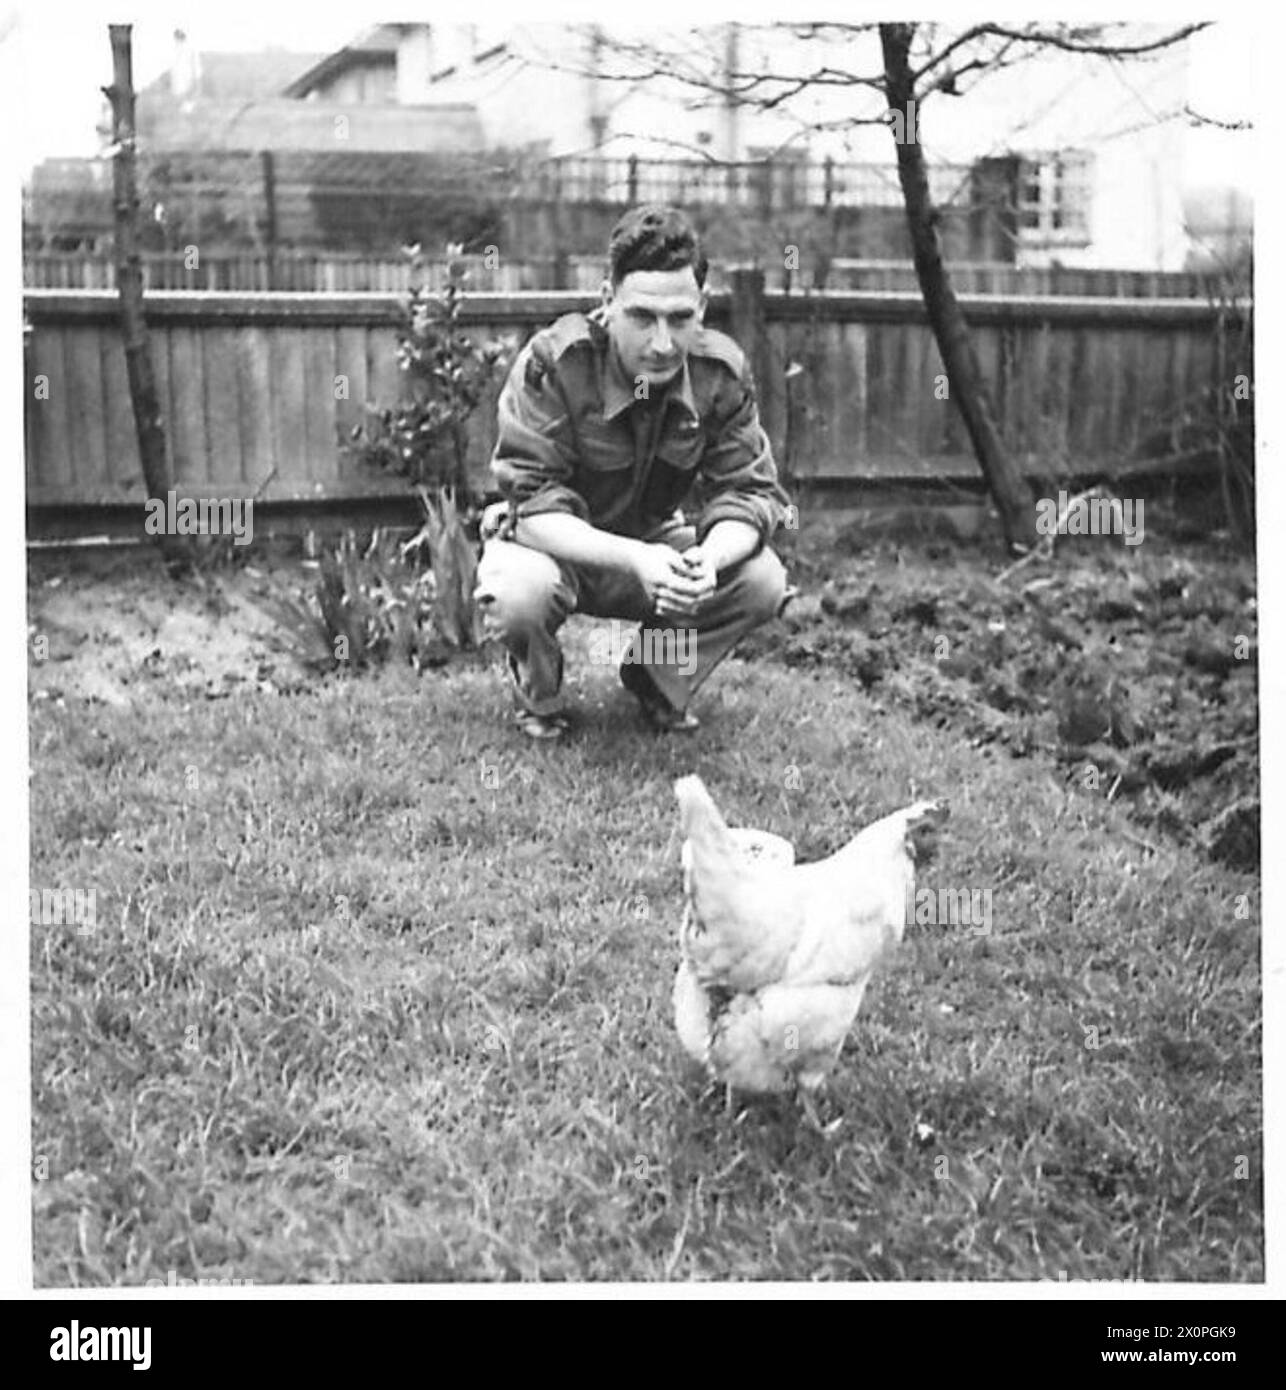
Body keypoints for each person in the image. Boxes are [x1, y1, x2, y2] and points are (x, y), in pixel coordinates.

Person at [474, 204, 792, 739]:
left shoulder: (720, 374)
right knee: (520, 592)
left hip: (653, 546)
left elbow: (750, 492)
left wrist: (707, 562)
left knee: (761, 580)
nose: (663, 343)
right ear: (608, 302)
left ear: (703, 307)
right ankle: (541, 697)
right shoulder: (556, 363)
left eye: (681, 319)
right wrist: (636, 558)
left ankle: (655, 678)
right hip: (554, 549)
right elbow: (531, 505)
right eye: (643, 317)